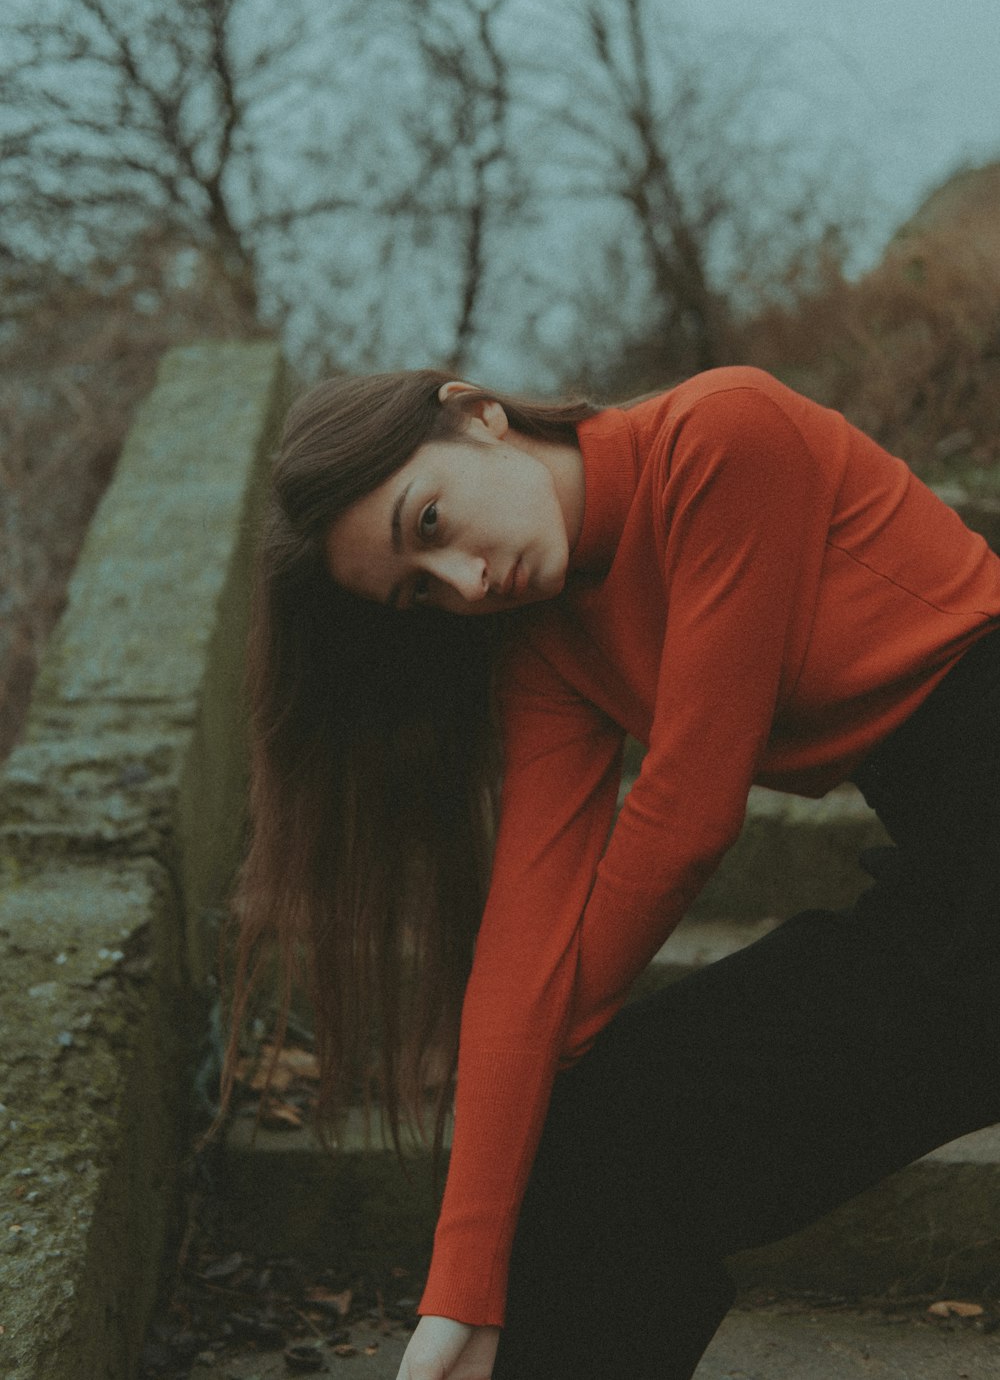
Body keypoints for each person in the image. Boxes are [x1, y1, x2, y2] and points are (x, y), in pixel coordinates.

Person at [228, 363, 1000, 1380]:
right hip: (957, 888)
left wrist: (552, 1041)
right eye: (421, 592)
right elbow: (524, 931)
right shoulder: (548, 650)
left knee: (604, 1113)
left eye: (429, 523)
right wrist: (461, 1289)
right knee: (606, 1133)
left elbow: (689, 807)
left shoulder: (723, 433)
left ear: (475, 416)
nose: (464, 584)